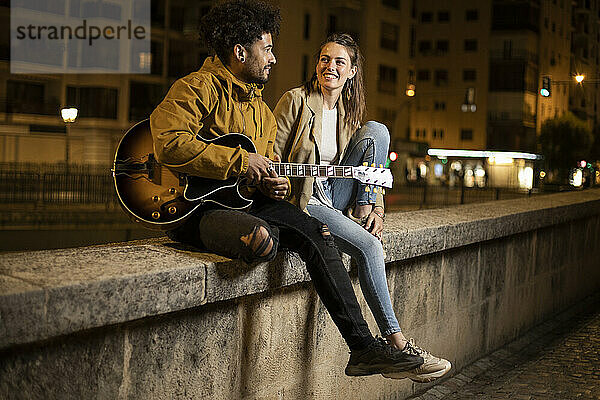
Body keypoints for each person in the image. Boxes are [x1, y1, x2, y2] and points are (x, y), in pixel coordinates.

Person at [149, 0, 424, 378]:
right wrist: (244, 163)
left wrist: (273, 183)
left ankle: (362, 349)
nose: (274, 59)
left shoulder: (260, 110)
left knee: (317, 232)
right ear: (241, 51)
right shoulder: (197, 87)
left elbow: (263, 168)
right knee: (265, 241)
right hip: (192, 207)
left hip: (244, 202)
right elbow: (168, 143)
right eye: (268, 49)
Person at [273, 33, 451, 382]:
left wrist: (376, 208)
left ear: (352, 71)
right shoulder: (296, 100)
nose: (331, 66)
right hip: (305, 197)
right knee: (369, 246)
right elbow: (272, 152)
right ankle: (398, 345)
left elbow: (369, 167)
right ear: (317, 64)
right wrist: (273, 184)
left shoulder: (346, 112)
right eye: (325, 59)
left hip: (335, 192)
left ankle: (364, 208)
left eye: (340, 62)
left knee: (378, 131)